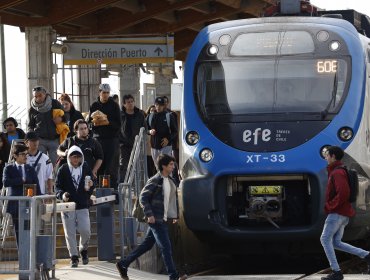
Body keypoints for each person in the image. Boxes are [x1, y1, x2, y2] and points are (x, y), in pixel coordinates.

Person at [116, 154, 186, 280]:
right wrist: (150, 215)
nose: (173, 167)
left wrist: (173, 215)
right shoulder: (156, 180)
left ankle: (123, 264)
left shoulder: (170, 180)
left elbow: (170, 200)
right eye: (170, 164)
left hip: (162, 219)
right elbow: (143, 197)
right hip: (156, 220)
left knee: (147, 245)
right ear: (163, 166)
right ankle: (173, 276)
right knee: (166, 247)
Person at [320, 146, 370, 280]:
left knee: (324, 239)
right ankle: (366, 255)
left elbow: (344, 193)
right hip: (343, 213)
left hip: (337, 213)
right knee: (336, 242)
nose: (325, 157)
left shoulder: (337, 173)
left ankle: (336, 272)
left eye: (327, 155)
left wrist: (331, 206)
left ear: (333, 156)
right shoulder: (339, 170)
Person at [55, 145, 95, 267]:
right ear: (69, 157)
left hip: (83, 204)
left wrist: (92, 185)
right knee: (70, 232)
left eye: (78, 157)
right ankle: (74, 256)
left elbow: (92, 184)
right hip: (67, 206)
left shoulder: (86, 167)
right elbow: (57, 187)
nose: (76, 159)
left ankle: (83, 249)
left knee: (85, 230)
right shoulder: (63, 169)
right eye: (73, 157)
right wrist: (62, 195)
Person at [3, 144, 41, 241]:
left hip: (29, 205)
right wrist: (21, 180)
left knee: (29, 230)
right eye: (23, 154)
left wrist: (40, 200)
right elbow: (6, 182)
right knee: (18, 231)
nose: (25, 156)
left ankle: (29, 254)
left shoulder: (30, 168)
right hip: (15, 205)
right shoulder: (9, 168)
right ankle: (22, 254)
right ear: (15, 156)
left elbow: (36, 185)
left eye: (26, 154)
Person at [88, 83, 121, 189]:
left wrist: (107, 122)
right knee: (99, 165)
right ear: (99, 92)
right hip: (98, 139)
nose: (106, 95)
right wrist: (95, 122)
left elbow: (118, 124)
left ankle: (113, 190)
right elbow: (89, 123)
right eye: (104, 93)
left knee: (111, 167)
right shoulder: (94, 105)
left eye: (107, 93)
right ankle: (98, 188)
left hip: (111, 139)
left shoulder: (114, 105)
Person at [28, 86, 64, 165]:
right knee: (41, 163)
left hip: (54, 139)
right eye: (35, 96)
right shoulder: (32, 109)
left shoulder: (54, 103)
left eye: (40, 95)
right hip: (40, 140)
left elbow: (66, 115)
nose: (38, 98)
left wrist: (61, 119)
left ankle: (54, 177)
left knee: (56, 164)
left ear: (45, 94)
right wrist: (31, 133)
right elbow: (31, 125)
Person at [119, 94, 146, 182]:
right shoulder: (120, 115)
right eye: (128, 102)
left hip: (137, 144)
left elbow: (145, 128)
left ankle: (136, 185)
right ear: (124, 104)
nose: (130, 104)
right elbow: (117, 129)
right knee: (124, 165)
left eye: (132, 101)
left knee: (137, 166)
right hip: (124, 145)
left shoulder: (140, 114)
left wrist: (143, 141)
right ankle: (123, 185)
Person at [147, 97, 178, 170]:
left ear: (164, 106)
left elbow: (175, 131)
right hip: (154, 147)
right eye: (157, 105)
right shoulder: (150, 116)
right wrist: (150, 131)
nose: (158, 107)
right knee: (158, 168)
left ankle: (167, 181)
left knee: (166, 167)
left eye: (160, 105)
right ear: (154, 105)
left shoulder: (169, 116)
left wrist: (168, 139)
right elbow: (144, 128)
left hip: (166, 147)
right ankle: (161, 181)